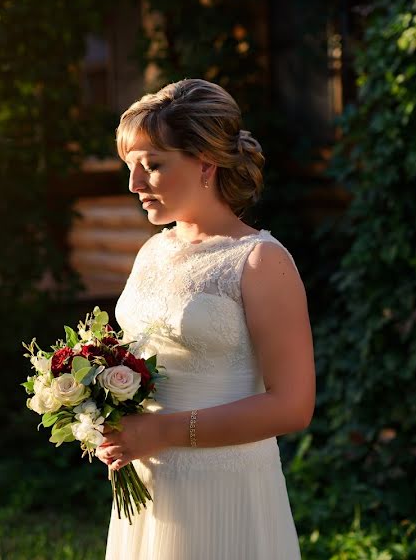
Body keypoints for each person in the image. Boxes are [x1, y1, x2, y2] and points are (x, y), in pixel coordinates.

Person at [96, 78, 314, 560]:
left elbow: (293, 406)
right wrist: (103, 415)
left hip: (227, 486)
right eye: (130, 167)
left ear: (205, 164)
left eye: (152, 165)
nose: (134, 184)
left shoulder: (260, 261)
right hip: (151, 486)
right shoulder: (154, 251)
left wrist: (162, 432)